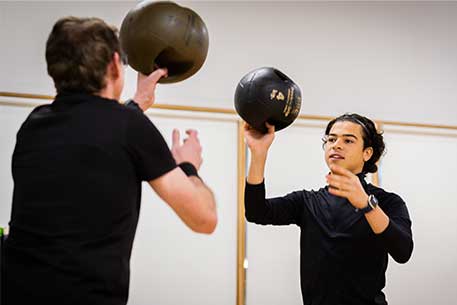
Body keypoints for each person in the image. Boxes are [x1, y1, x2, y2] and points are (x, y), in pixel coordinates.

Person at [3, 16, 217, 305]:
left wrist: (139, 101)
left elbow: (95, 129)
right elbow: (204, 219)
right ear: (115, 64)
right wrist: (188, 166)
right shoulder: (128, 128)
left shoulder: (34, 125)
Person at [244, 113, 413, 305]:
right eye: (331, 139)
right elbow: (255, 211)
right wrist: (258, 154)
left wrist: (367, 205)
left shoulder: (387, 202)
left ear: (367, 153)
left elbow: (403, 251)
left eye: (348, 140)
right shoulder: (307, 202)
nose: (336, 144)